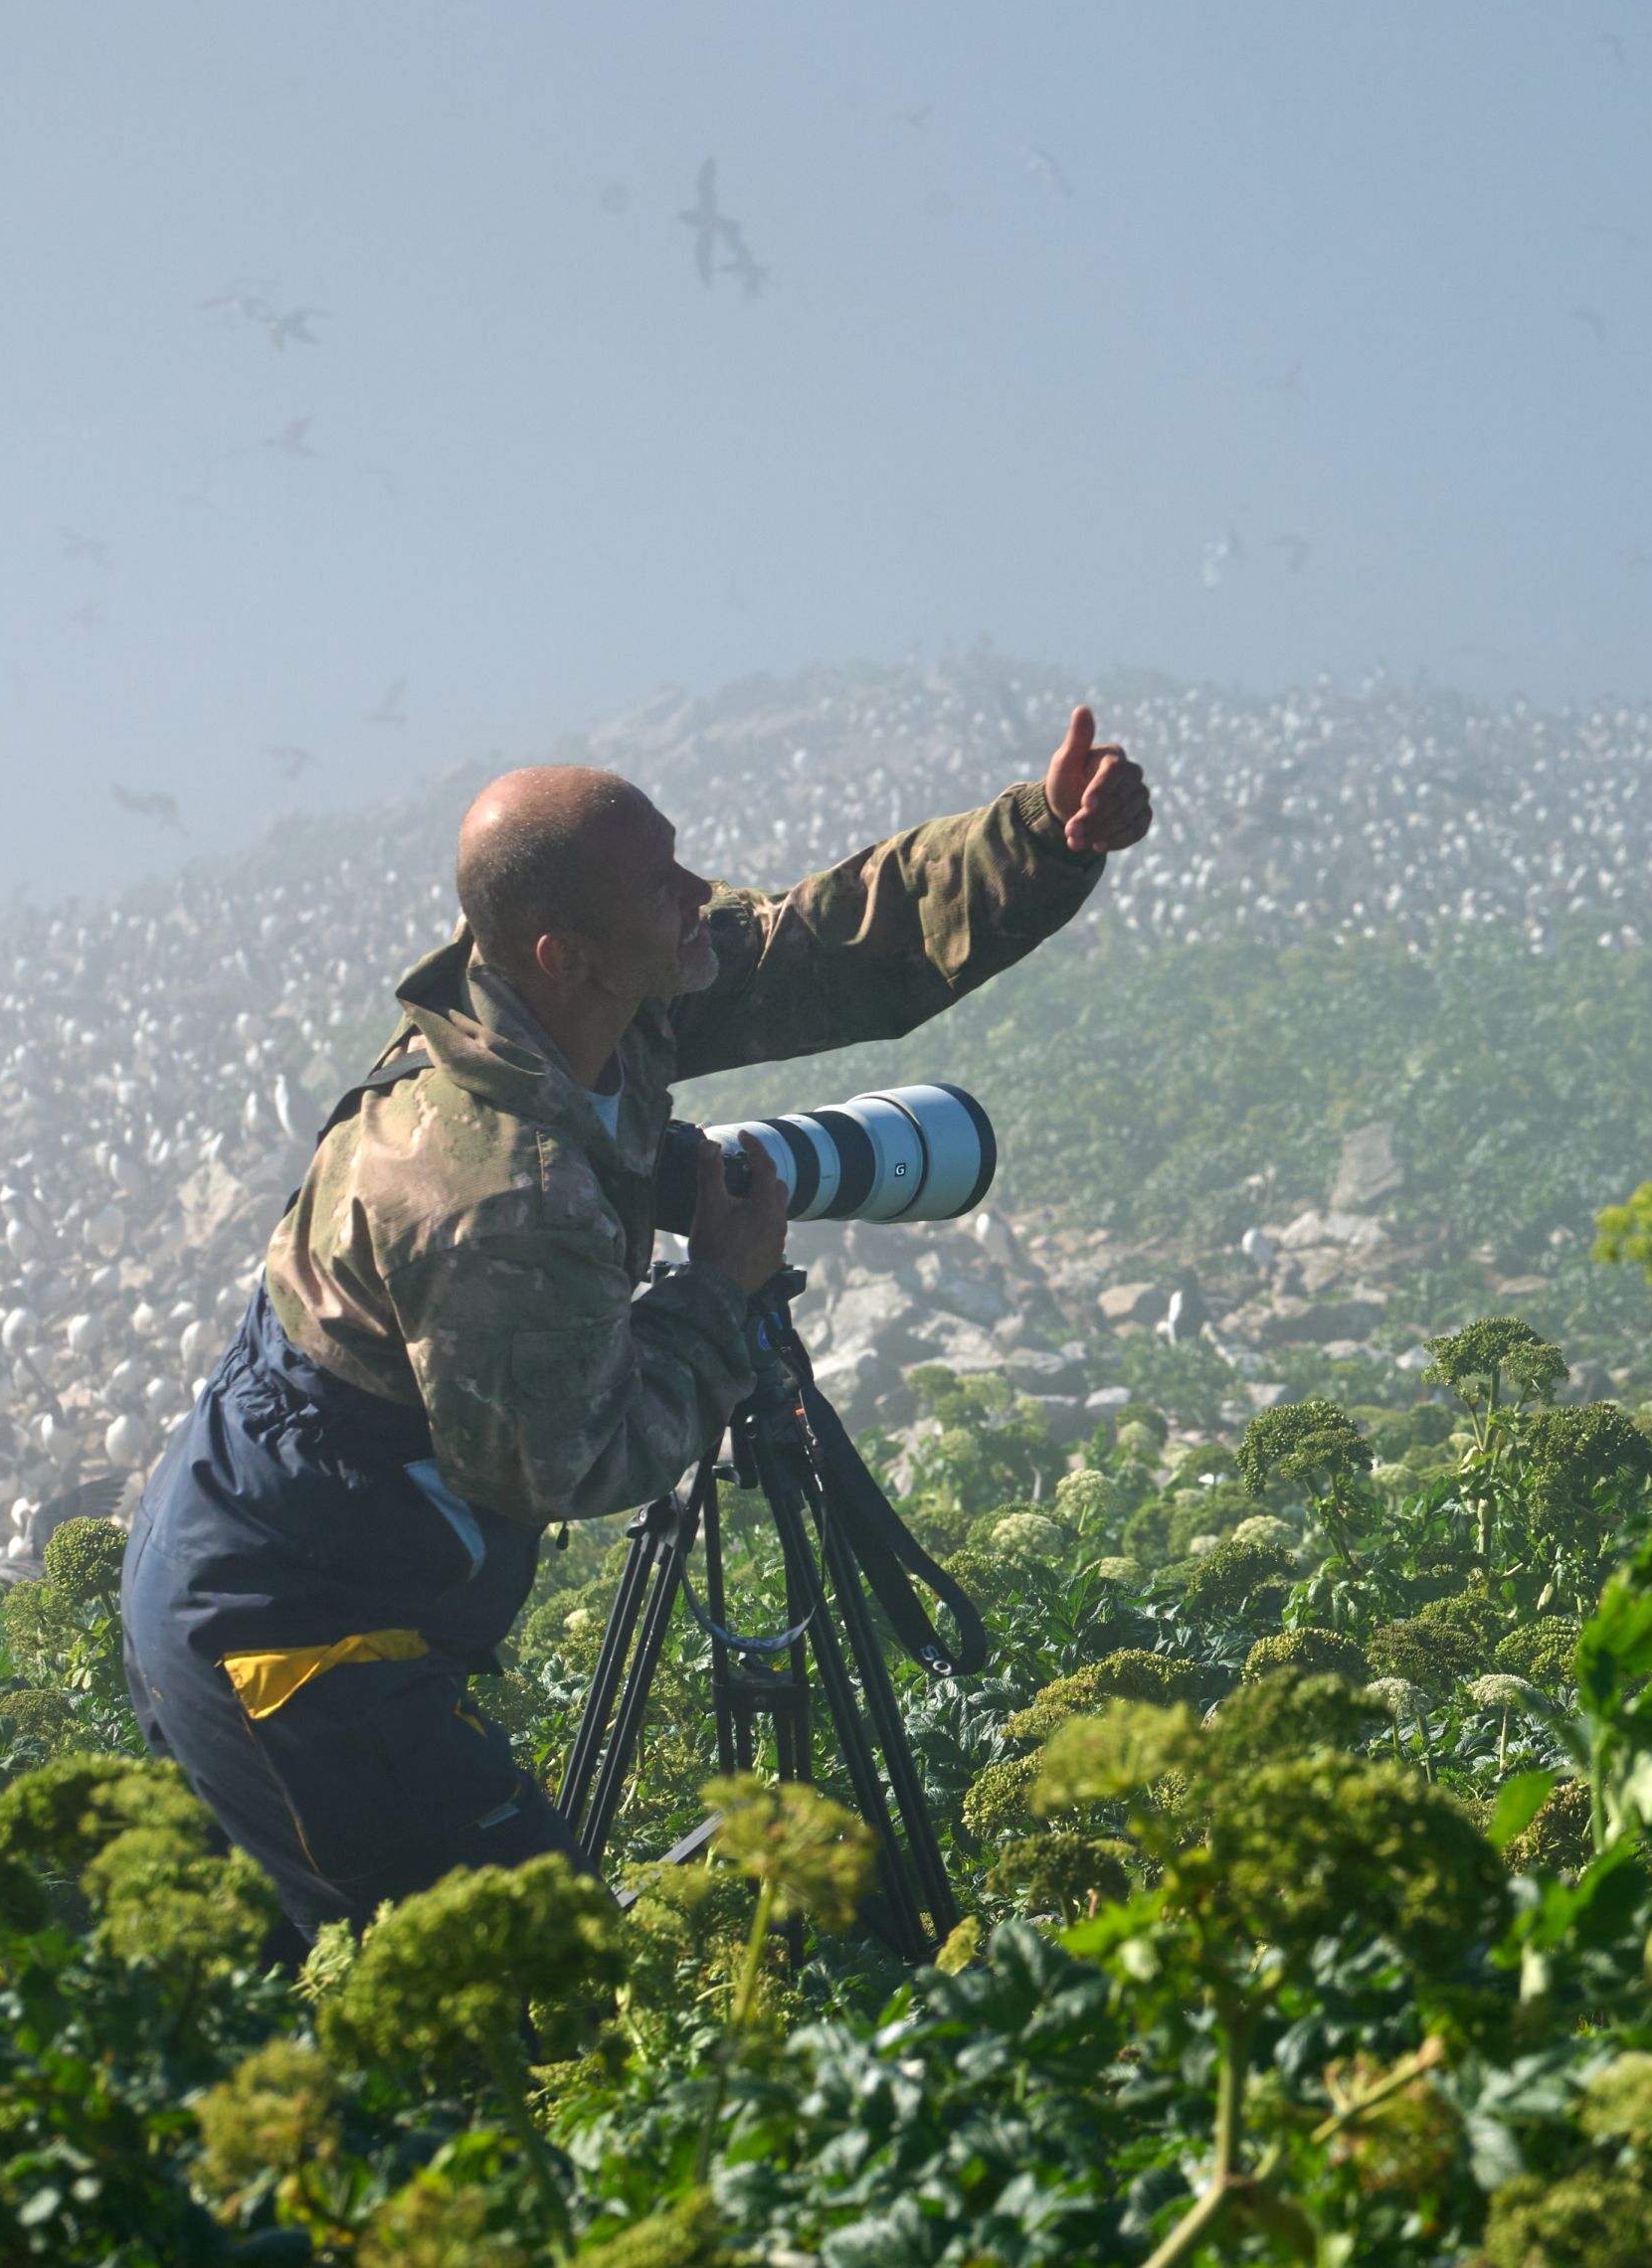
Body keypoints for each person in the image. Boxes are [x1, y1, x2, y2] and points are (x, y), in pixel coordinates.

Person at [120, 708, 1150, 1942]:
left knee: (416, 1986)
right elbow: (571, 1457)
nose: (697, 894)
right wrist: (716, 1292)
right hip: (290, 1638)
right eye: (663, 884)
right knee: (519, 1993)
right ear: (565, 950)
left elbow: (816, 944)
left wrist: (1041, 839)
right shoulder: (495, 1193)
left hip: (292, 1549)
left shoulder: (582, 1001)